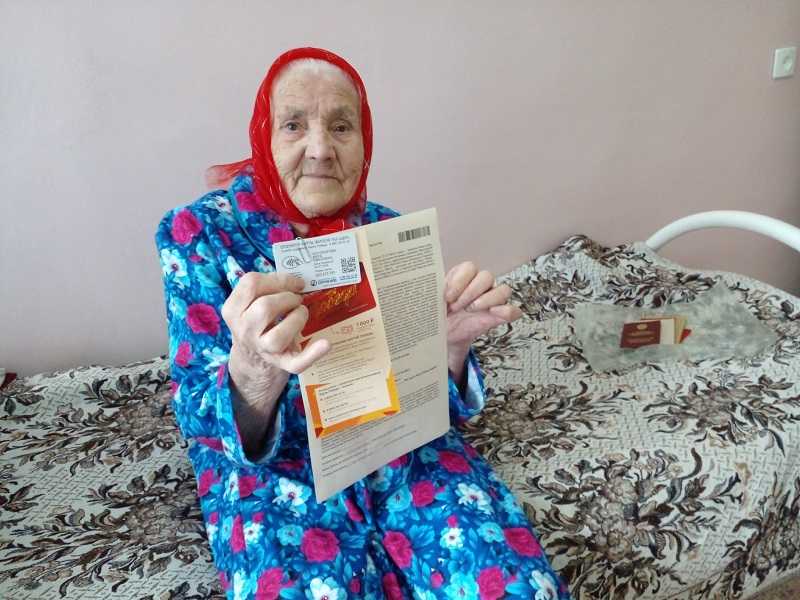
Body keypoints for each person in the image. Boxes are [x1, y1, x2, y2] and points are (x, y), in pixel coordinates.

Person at [156, 47, 570, 600]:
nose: (320, 149)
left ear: (364, 140)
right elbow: (200, 422)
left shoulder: (388, 231)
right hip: (279, 477)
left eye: (341, 126)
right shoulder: (197, 234)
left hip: (403, 453)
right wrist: (254, 368)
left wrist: (448, 349)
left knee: (518, 590)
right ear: (263, 136)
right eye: (294, 125)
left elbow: (431, 407)